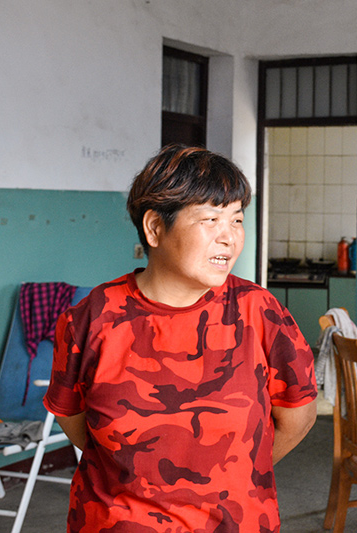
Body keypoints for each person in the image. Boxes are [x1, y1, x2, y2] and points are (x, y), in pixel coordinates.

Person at [44, 144, 318, 532]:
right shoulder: (93, 317)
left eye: (237, 220)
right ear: (155, 228)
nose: (229, 237)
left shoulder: (260, 312)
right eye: (211, 219)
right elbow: (72, 418)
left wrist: (230, 477)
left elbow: (298, 416)